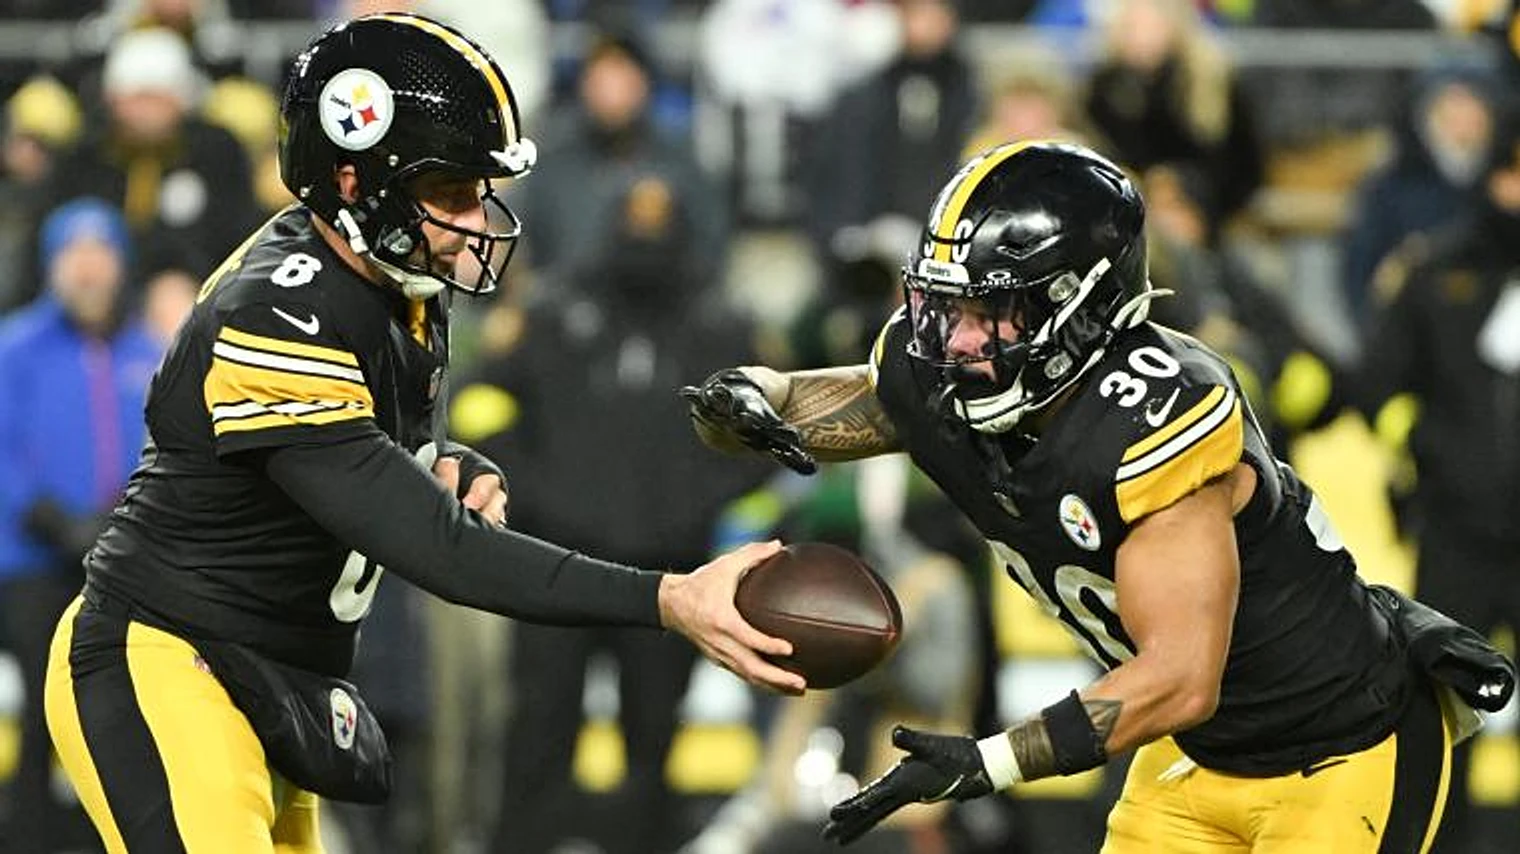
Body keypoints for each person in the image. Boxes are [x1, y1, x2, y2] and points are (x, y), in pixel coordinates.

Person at [42, 14, 802, 853]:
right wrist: (668, 598)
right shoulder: (279, 313)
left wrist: (442, 457)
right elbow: (441, 550)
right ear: (353, 179)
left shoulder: (390, 279)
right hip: (173, 662)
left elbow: (350, 456)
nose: (475, 218)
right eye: (451, 191)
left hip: (269, 676)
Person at [684, 141, 1516, 852]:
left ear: (1077, 308)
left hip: (1340, 748)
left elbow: (1181, 676)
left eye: (990, 312)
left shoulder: (1153, 418)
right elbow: (844, 406)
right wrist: (753, 395)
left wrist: (988, 761)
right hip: (1198, 752)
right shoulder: (946, 375)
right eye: (945, 305)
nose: (955, 339)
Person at [1356, 116, 1520, 854]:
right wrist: (1424, 449)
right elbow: (1378, 383)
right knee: (1445, 717)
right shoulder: (1435, 271)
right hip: (1457, 530)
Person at [0, 198, 161, 854]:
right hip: (32, 564)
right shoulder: (15, 347)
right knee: (41, 719)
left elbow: (163, 449)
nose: (88, 269)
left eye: (100, 254)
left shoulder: (149, 352)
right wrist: (51, 519)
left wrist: (118, 521)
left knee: (121, 720)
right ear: (52, 265)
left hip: (119, 565)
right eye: (75, 255)